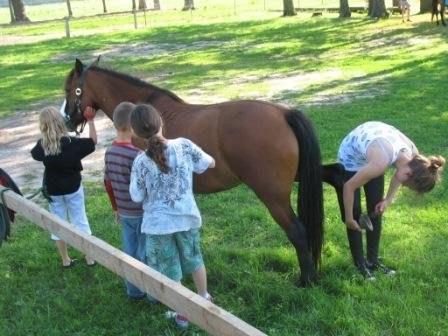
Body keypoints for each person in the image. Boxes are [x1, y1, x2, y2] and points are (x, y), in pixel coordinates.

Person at [129, 104, 215, 329]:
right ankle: (204, 296)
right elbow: (208, 163)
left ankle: (183, 312)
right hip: (186, 218)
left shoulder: (140, 161)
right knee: (194, 258)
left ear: (136, 131)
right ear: (160, 120)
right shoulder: (184, 146)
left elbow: (136, 196)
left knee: (170, 269)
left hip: (158, 226)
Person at [337, 121, 445, 280]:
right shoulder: (380, 163)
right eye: (408, 186)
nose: (405, 187)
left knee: (376, 207)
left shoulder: (415, 159)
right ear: (408, 175)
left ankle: (372, 261)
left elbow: (399, 177)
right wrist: (348, 218)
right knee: (354, 214)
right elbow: (348, 187)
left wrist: (387, 200)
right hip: (352, 155)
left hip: (375, 150)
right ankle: (360, 265)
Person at [31, 106, 97, 267]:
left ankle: (65, 260)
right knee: (80, 220)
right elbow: (93, 142)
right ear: (61, 123)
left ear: (43, 126)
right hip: (73, 188)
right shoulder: (73, 143)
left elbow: (34, 154)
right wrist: (91, 121)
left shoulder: (42, 146)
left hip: (53, 191)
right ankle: (89, 258)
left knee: (58, 223)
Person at [104, 102, 147, 300]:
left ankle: (133, 290)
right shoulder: (136, 155)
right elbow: (143, 187)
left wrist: (115, 208)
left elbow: (108, 182)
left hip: (123, 211)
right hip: (140, 211)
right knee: (145, 250)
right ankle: (152, 292)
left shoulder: (109, 152)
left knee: (130, 249)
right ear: (132, 127)